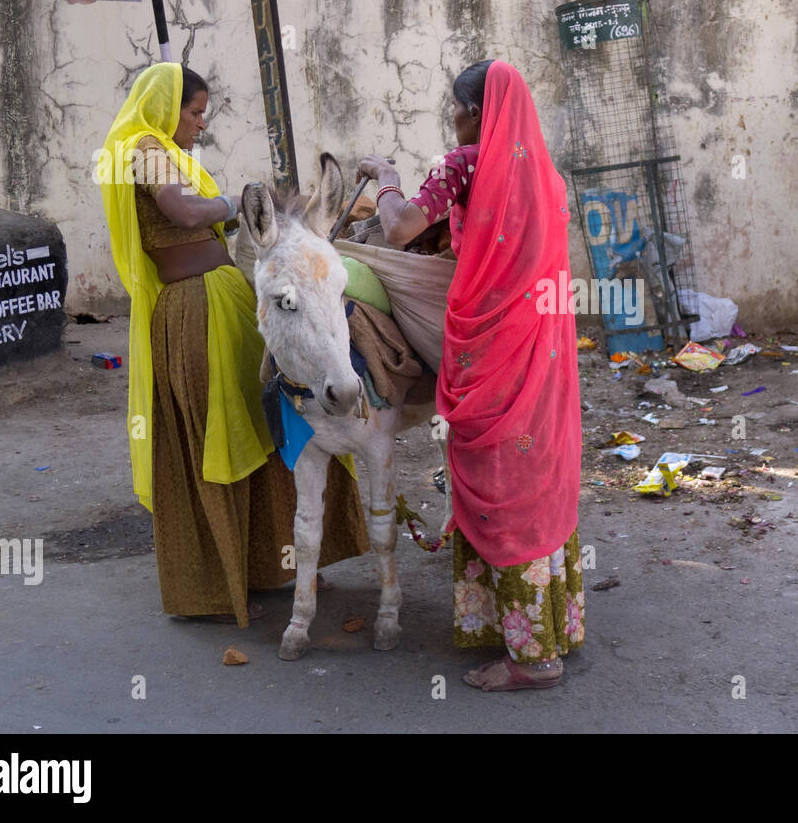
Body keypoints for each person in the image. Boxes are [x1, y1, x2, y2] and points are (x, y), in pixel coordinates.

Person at [98, 62, 368, 627]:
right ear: (166, 107)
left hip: (215, 299)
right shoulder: (145, 147)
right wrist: (238, 202)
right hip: (194, 308)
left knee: (256, 419)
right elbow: (184, 211)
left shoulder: (161, 151)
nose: (200, 125)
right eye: (194, 113)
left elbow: (193, 224)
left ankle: (269, 568)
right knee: (220, 428)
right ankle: (225, 580)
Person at [359, 60, 585, 690]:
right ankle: (540, 629)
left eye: (456, 108)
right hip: (538, 353)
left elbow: (401, 227)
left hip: (488, 353)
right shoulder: (546, 177)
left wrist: (386, 179)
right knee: (532, 474)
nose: (452, 119)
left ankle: (531, 661)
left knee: (497, 479)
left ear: (478, 113)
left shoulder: (463, 165)